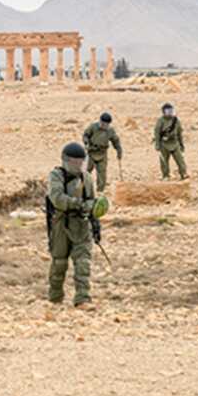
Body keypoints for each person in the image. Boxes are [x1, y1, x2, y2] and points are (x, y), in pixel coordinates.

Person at [45, 142, 97, 310]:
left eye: (80, 162)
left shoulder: (86, 178)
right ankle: (55, 297)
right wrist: (77, 204)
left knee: (83, 262)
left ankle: (83, 298)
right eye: (75, 162)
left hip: (81, 225)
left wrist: (94, 220)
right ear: (66, 161)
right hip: (61, 223)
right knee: (59, 263)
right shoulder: (56, 176)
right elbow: (57, 198)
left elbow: (92, 201)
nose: (78, 165)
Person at [83, 112, 122, 191]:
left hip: (102, 154)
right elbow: (85, 135)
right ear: (100, 121)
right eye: (103, 123)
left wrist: (119, 151)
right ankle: (84, 189)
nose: (104, 126)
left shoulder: (110, 130)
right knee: (87, 172)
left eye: (106, 124)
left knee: (102, 174)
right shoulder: (93, 127)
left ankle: (100, 191)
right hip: (92, 152)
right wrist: (86, 142)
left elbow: (115, 141)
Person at [154, 103, 187, 180]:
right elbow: (157, 133)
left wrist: (181, 144)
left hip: (175, 143)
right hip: (164, 144)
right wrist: (157, 145)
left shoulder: (176, 121)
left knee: (180, 160)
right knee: (164, 162)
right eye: (168, 111)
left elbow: (179, 133)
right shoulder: (160, 121)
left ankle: (183, 173)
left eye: (171, 111)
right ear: (164, 112)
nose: (170, 113)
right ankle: (166, 175)